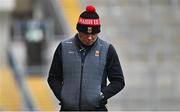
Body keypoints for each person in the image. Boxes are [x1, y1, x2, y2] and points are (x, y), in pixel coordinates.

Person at [47, 5, 125, 111]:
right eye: (85, 33)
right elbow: (53, 78)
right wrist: (63, 96)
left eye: (93, 34)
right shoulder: (63, 47)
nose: (89, 37)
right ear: (78, 30)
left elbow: (118, 81)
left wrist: (101, 96)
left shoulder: (107, 50)